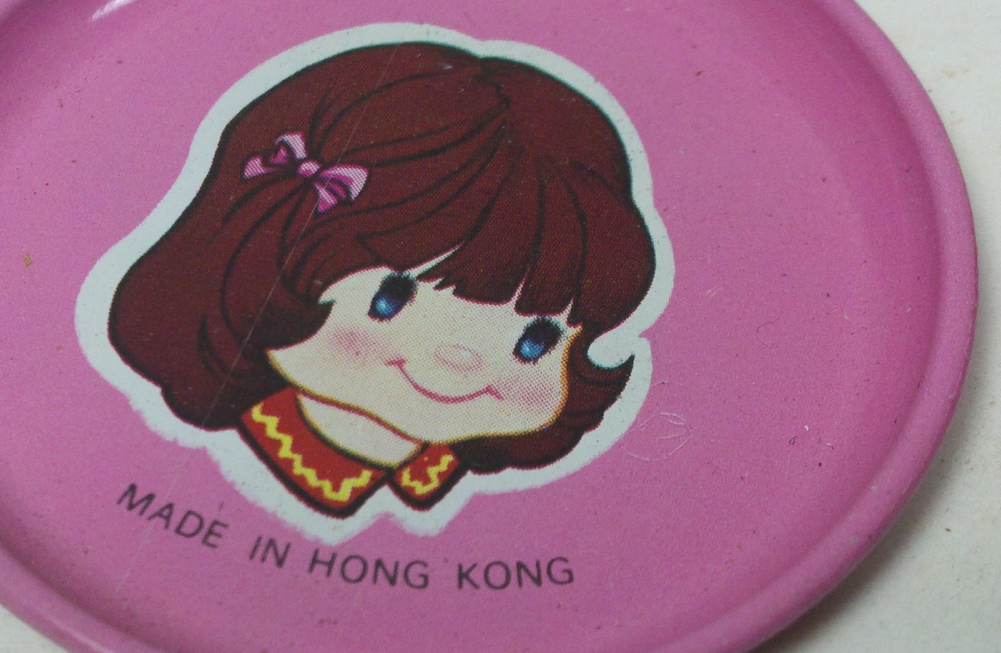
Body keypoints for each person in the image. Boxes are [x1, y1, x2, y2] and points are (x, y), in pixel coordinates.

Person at [108, 40, 658, 518]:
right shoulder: (211, 451)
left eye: (535, 340)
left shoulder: (448, 477)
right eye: (392, 298)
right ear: (267, 260)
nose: (461, 358)